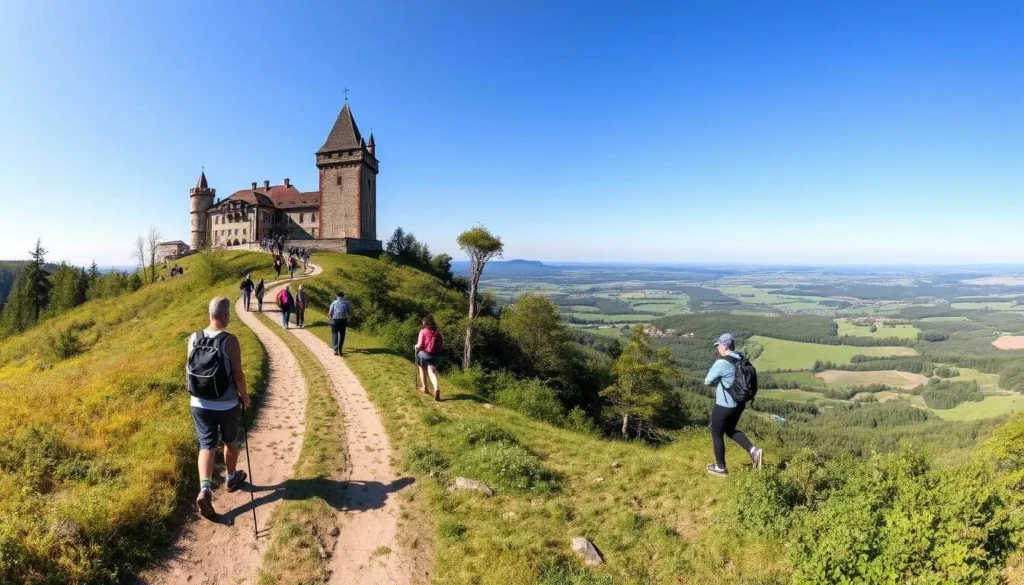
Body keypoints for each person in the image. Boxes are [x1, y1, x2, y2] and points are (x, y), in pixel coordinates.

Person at [186, 297, 252, 519]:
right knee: (230, 440)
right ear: (223, 315)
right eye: (228, 314)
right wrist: (245, 397)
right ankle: (231, 477)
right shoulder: (230, 340)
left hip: (199, 403)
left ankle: (205, 488)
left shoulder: (194, 338)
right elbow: (238, 374)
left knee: (206, 445)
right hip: (226, 403)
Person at [705, 333, 762, 477]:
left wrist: (718, 384)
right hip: (739, 403)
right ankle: (753, 451)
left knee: (716, 432)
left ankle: (720, 468)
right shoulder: (741, 359)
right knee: (730, 429)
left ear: (724, 346)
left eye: (718, 346)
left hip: (724, 405)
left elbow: (707, 381)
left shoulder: (721, 363)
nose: (717, 349)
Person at [414, 315, 443, 401]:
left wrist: (415, 347)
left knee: (422, 368)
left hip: (425, 354)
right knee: (432, 372)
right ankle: (436, 387)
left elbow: (419, 345)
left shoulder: (423, 331)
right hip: (436, 355)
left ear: (425, 322)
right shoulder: (438, 332)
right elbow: (442, 345)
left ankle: (424, 388)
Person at [327, 291, 352, 355]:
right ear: (343, 296)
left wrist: (330, 319)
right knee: (342, 334)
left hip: (335, 320)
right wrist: (348, 316)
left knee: (334, 334)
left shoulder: (334, 303)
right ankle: (340, 349)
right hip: (343, 320)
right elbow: (349, 312)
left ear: (337, 296)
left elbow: (330, 313)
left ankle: (335, 349)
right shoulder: (346, 303)